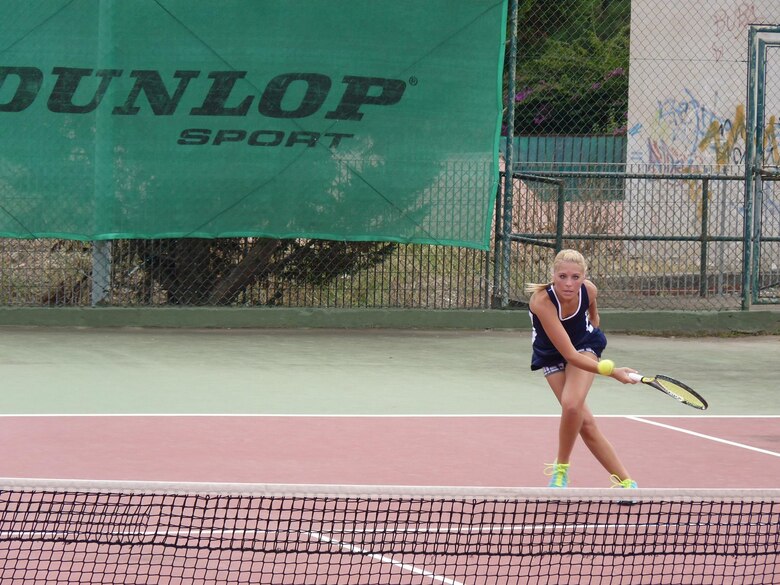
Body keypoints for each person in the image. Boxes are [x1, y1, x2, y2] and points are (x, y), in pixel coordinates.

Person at [525, 249, 638, 489]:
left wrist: (594, 325)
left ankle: (564, 469)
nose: (568, 283)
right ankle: (625, 480)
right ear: (553, 275)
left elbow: (593, 313)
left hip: (584, 345)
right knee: (583, 421)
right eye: (562, 276)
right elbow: (569, 355)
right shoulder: (542, 301)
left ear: (584, 276)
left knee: (572, 404)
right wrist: (613, 371)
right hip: (552, 353)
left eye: (575, 277)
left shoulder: (590, 290)